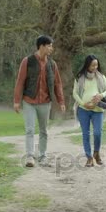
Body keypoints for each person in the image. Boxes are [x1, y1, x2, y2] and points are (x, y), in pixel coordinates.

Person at [14, 35, 66, 167]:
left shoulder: (52, 64)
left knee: (43, 131)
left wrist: (61, 101)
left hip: (45, 102)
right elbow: (20, 81)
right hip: (29, 101)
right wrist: (16, 101)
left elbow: (57, 84)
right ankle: (30, 156)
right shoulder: (27, 61)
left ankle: (42, 155)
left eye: (51, 46)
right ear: (41, 46)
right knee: (29, 130)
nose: (51, 48)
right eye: (49, 46)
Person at [72, 55, 106, 167]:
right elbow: (75, 93)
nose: (95, 67)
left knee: (98, 133)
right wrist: (84, 104)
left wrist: (100, 95)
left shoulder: (101, 77)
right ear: (87, 64)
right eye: (93, 64)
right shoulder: (79, 77)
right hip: (83, 110)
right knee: (85, 134)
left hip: (98, 109)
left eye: (96, 64)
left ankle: (96, 153)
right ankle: (89, 158)